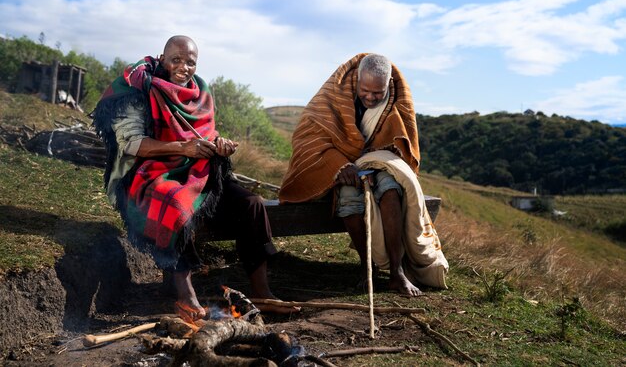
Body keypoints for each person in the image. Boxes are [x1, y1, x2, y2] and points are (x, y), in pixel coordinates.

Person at [94, 35, 293, 320]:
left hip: (201, 171)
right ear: (163, 60)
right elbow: (131, 143)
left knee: (252, 203)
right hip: (154, 171)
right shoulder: (139, 87)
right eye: (176, 60)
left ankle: (261, 292)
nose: (183, 67)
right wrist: (182, 148)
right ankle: (184, 293)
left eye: (190, 62)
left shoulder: (201, 91)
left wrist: (219, 145)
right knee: (175, 203)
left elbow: (204, 135)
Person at [279, 53, 448, 296]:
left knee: (391, 190)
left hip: (380, 161)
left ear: (388, 84)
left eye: (377, 93)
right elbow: (310, 135)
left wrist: (374, 164)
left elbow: (402, 143)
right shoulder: (334, 91)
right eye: (365, 91)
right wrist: (342, 165)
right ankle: (365, 267)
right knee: (349, 200)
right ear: (357, 80)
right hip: (343, 163)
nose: (370, 97)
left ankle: (396, 273)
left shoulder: (398, 97)